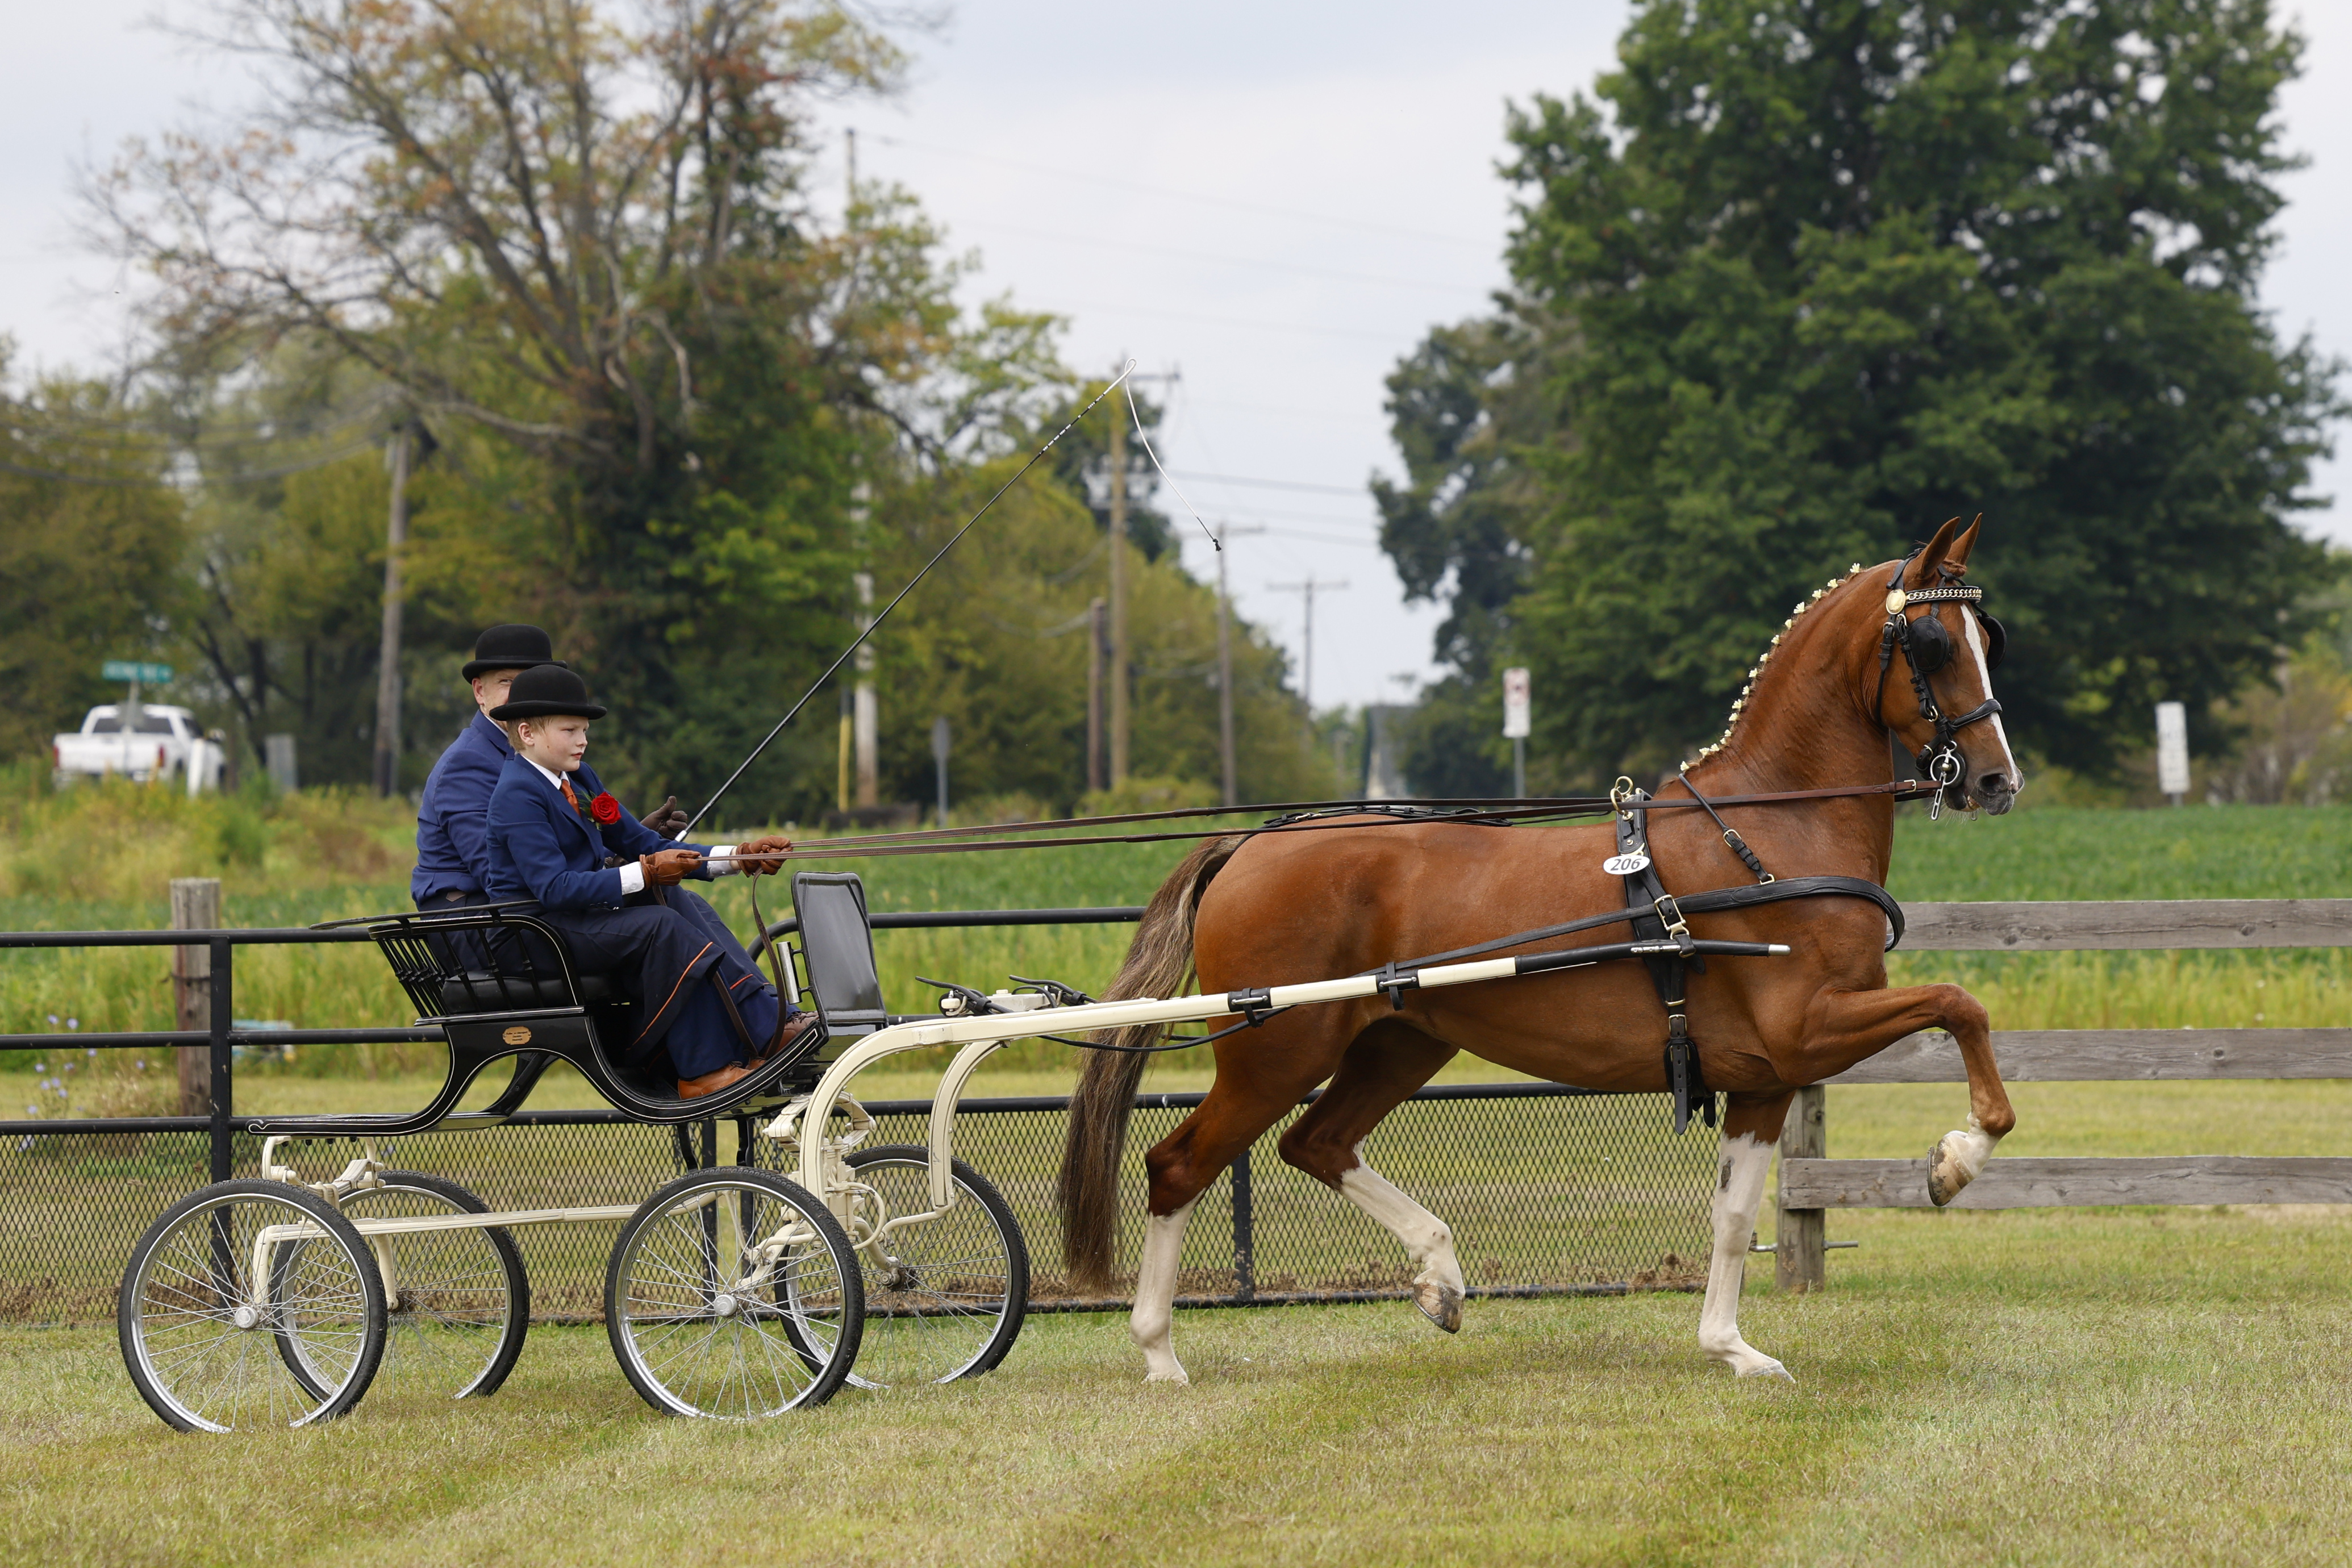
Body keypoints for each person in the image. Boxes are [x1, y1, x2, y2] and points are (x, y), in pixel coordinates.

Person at [482, 664, 813, 1100]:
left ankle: (766, 1021)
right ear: (527, 733)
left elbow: (641, 840)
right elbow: (554, 889)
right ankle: (703, 1069)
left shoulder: (579, 778)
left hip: (575, 919)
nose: (583, 740)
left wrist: (738, 858)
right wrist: (645, 873)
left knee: (685, 904)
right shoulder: (516, 794)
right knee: (662, 927)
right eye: (570, 730)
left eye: (584, 730)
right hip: (534, 934)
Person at [411, 623, 697, 912]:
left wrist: (630, 842)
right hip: (477, 918)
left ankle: (729, 960)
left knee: (679, 899)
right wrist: (621, 862)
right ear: (480, 691)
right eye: (507, 683)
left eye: (534, 681)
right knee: (655, 913)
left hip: (545, 906)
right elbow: (503, 871)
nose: (524, 693)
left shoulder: (550, 758)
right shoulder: (467, 766)